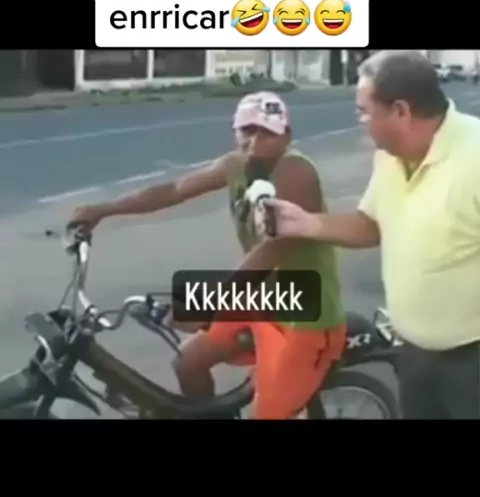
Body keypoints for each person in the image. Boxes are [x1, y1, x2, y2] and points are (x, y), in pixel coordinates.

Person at [68, 91, 346, 419]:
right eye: (247, 131)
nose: (255, 143)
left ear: (286, 136)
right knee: (188, 364)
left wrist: (211, 301)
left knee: (267, 414)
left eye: (267, 133)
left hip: (306, 310)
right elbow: (174, 190)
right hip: (262, 297)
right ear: (235, 132)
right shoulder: (234, 166)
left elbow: (275, 248)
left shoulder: (295, 173)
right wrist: (104, 209)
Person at [265, 51, 480, 420]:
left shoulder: (473, 158)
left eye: (364, 110)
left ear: (400, 111)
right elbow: (371, 225)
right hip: (414, 355)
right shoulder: (391, 156)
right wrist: (304, 224)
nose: (360, 120)